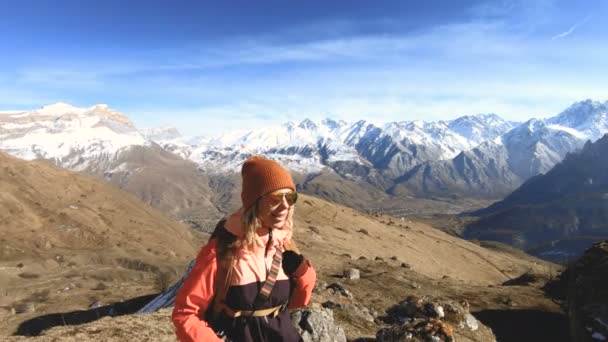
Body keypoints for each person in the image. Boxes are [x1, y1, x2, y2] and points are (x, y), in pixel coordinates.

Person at [172, 156, 317, 342]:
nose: (285, 206)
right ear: (254, 202)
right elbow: (185, 314)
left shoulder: (286, 244)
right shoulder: (222, 251)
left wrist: (305, 275)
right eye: (275, 199)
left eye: (290, 197)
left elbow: (298, 303)